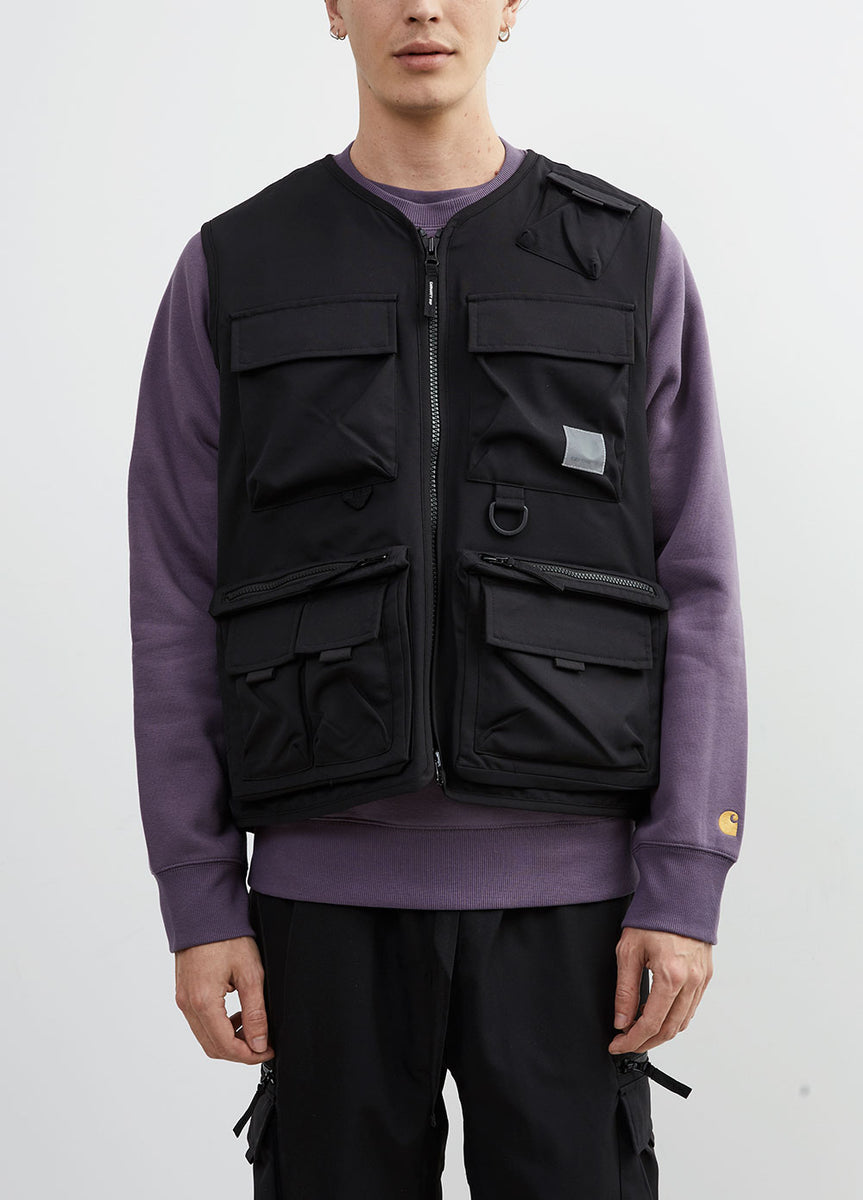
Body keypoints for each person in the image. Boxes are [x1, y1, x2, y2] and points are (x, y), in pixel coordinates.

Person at [127, 1, 747, 1196]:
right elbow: (171, 599)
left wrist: (684, 877)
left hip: (575, 918)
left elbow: (700, 585)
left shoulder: (627, 257)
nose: (422, 7)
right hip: (319, 913)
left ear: (509, 8)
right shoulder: (234, 265)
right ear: (333, 9)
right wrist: (199, 901)